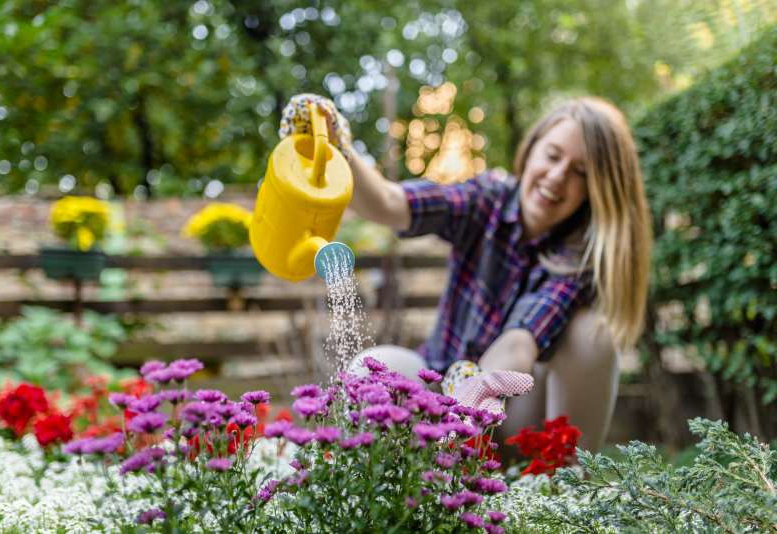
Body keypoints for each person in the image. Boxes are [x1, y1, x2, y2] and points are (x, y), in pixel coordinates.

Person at [279, 94, 652, 455]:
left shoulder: (582, 255)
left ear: (596, 189)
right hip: (439, 382)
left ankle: (566, 482)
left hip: (513, 415)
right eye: (553, 156)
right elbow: (389, 204)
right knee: (374, 368)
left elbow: (518, 344)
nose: (556, 177)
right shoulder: (487, 199)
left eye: (580, 172)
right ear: (531, 149)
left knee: (593, 335)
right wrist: (336, 146)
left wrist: (462, 422)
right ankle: (383, 481)